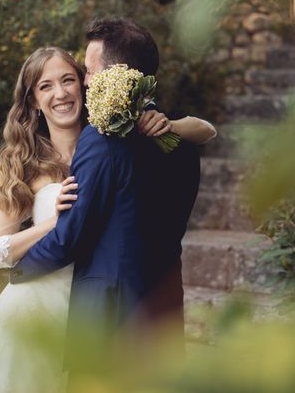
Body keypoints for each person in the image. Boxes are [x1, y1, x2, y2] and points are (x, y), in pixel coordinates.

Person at [0, 45, 215, 392]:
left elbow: (205, 130)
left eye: (68, 80)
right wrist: (52, 223)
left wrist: (168, 124)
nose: (60, 93)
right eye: (45, 86)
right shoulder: (25, 166)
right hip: (37, 307)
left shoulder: (116, 137)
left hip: (98, 307)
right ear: (33, 100)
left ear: (83, 85)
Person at [83, 17, 213, 350]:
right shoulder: (182, 140)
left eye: (90, 71)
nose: (85, 82)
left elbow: (79, 231)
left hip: (115, 317)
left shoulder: (105, 142)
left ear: (117, 76)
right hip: (166, 307)